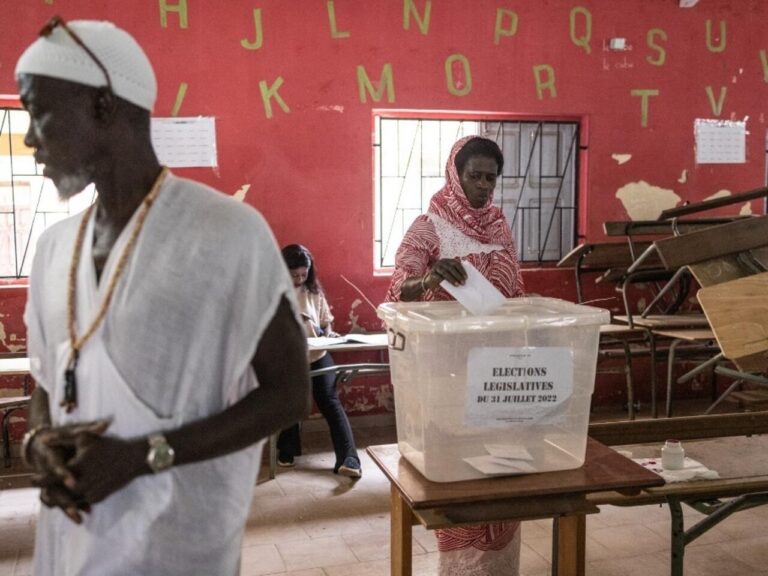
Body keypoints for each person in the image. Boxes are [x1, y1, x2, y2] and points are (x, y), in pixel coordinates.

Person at [16, 17, 311, 576]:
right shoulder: (55, 248)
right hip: (74, 540)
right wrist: (38, 443)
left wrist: (143, 456)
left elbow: (290, 392)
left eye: (39, 111)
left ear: (103, 106)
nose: (30, 137)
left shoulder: (228, 231)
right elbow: (51, 382)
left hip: (177, 545)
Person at [385, 136, 524, 575]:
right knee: (461, 476)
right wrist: (428, 278)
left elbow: (513, 293)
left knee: (502, 473)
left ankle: (500, 569)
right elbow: (396, 291)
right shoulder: (429, 227)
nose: (483, 186)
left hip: (499, 367)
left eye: (490, 177)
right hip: (445, 371)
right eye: (474, 176)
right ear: (455, 174)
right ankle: (460, 569)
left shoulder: (500, 226)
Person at [276, 244, 362, 478]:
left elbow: (326, 322)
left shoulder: (313, 291)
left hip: (318, 354)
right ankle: (286, 449)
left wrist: (328, 332)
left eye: (304, 274)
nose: (299, 279)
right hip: (289, 358)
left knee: (330, 401)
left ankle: (349, 459)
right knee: (292, 401)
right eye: (294, 275)